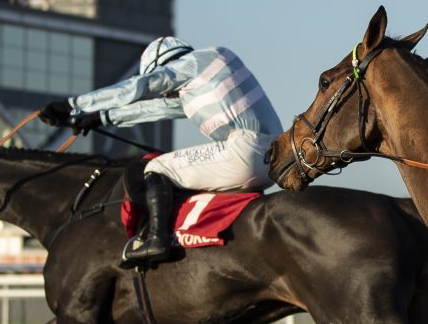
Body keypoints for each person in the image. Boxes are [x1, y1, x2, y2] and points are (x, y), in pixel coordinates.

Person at [39, 36, 282, 267]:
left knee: (155, 167)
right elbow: (156, 109)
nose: (166, 94)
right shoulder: (209, 70)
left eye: (164, 87)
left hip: (244, 153)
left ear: (165, 66)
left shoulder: (191, 64)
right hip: (274, 162)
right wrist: (101, 117)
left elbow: (138, 87)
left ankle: (157, 239)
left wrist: (73, 105)